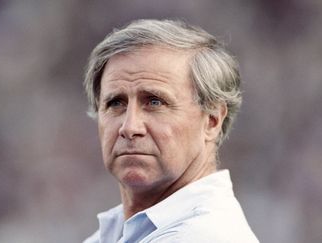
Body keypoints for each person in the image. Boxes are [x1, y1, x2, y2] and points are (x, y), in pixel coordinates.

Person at [82, 19, 259, 243]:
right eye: (116, 103)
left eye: (155, 102)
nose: (129, 127)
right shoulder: (112, 234)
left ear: (212, 121)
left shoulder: (202, 236)